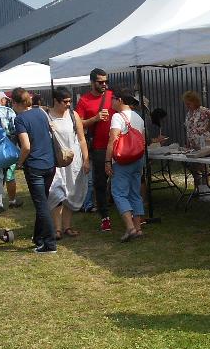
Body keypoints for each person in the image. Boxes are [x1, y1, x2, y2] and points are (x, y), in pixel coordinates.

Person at [13, 87, 59, 253]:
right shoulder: (41, 112)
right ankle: (38, 237)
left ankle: (49, 243)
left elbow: (25, 146)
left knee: (41, 206)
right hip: (49, 163)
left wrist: (19, 162)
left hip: (35, 166)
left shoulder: (20, 119)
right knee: (43, 202)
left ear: (15, 103)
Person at [47, 85, 90, 239]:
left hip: (73, 160)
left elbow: (81, 139)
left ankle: (67, 227)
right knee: (56, 192)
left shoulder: (73, 115)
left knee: (72, 192)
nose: (68, 104)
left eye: (69, 101)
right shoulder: (47, 116)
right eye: (64, 101)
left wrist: (86, 159)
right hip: (56, 160)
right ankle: (57, 229)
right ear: (55, 101)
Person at [75, 68, 115, 232]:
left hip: (116, 145)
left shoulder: (113, 95)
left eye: (106, 81)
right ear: (92, 82)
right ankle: (104, 216)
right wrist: (95, 118)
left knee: (121, 179)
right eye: (100, 82)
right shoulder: (84, 100)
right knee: (100, 183)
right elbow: (78, 123)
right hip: (98, 147)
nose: (104, 84)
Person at [105, 90, 147, 242]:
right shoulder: (138, 117)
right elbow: (142, 141)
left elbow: (112, 140)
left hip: (122, 160)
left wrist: (107, 161)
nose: (111, 102)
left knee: (119, 193)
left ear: (120, 100)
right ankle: (138, 228)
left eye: (113, 99)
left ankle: (130, 228)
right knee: (134, 193)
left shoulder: (117, 117)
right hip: (137, 159)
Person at [0, 91, 21, 210]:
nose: (6, 101)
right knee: (10, 175)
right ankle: (12, 201)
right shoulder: (9, 111)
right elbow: (14, 129)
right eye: (5, 99)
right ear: (1, 100)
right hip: (8, 147)